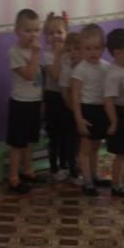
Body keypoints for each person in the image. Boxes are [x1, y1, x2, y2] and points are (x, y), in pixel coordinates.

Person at [5, 9, 45, 194]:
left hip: (34, 101)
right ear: (17, 31)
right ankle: (13, 178)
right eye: (28, 30)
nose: (33, 35)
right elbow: (29, 75)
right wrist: (36, 54)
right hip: (20, 103)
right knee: (17, 143)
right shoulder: (14, 52)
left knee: (29, 141)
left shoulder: (34, 50)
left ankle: (28, 171)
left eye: (36, 30)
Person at [71, 23, 111, 196]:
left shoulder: (106, 67)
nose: (93, 52)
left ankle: (95, 176)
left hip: (101, 110)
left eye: (96, 48)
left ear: (103, 48)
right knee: (85, 149)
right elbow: (75, 96)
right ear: (82, 49)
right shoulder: (80, 69)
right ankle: (87, 180)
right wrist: (79, 119)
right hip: (86, 110)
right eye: (88, 49)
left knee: (96, 146)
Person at [103, 28, 124, 198]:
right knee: (121, 155)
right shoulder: (113, 74)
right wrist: (114, 121)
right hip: (120, 114)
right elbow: (108, 99)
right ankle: (116, 185)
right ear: (117, 52)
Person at [42, 11, 70, 182]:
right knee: (55, 136)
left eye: (59, 32)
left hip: (67, 97)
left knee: (67, 133)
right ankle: (54, 168)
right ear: (46, 37)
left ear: (66, 33)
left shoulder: (70, 54)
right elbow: (55, 76)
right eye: (51, 33)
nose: (55, 36)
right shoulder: (47, 56)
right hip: (53, 98)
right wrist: (59, 55)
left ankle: (66, 165)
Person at [58, 32, 82, 183]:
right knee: (70, 140)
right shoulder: (67, 69)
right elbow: (64, 91)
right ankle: (71, 169)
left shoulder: (85, 67)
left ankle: (79, 167)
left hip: (82, 109)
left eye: (77, 49)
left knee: (80, 142)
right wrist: (72, 108)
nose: (73, 53)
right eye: (69, 50)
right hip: (69, 110)